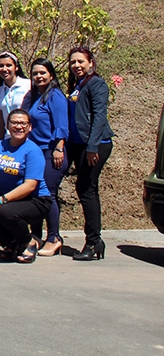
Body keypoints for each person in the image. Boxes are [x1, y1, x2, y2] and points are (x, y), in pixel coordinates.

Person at [0, 109, 52, 263]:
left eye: (23, 123)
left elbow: (30, 185)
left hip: (36, 200)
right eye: (14, 122)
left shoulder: (33, 151)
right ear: (7, 126)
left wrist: (1, 200)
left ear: (29, 127)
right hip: (8, 197)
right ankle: (12, 242)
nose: (19, 126)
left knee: (6, 212)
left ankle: (29, 241)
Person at [67, 47, 114, 261]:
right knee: (85, 188)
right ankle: (95, 241)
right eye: (73, 62)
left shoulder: (97, 84)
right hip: (79, 144)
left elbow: (99, 116)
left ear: (91, 63)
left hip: (95, 145)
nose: (76, 65)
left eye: (81, 61)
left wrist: (93, 146)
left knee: (87, 188)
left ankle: (94, 241)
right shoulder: (78, 84)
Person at [23, 58, 70, 257]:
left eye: (42, 73)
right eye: (35, 74)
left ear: (51, 74)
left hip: (52, 151)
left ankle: (54, 238)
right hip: (36, 152)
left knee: (48, 193)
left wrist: (59, 148)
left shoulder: (55, 95)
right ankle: (36, 235)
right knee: (34, 193)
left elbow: (61, 124)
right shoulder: (35, 96)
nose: (38, 77)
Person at [0, 52, 31, 141]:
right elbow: (0, 123)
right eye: (1, 66)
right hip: (9, 139)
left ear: (16, 67)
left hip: (28, 138)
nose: (5, 69)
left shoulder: (28, 85)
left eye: (8, 65)